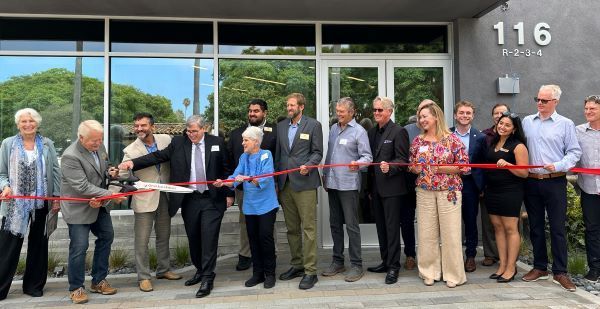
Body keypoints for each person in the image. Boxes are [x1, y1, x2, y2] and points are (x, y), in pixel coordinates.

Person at [120, 115, 234, 298]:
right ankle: (199, 269)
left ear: (204, 128)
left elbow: (227, 169)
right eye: (188, 131)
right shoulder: (179, 142)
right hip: (189, 199)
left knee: (209, 237)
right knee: (194, 238)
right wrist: (133, 162)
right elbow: (158, 156)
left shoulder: (217, 142)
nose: (191, 135)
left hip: (212, 199)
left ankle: (207, 277)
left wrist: (229, 193)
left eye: (194, 131)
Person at [521, 84, 581, 292]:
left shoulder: (566, 124)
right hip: (531, 181)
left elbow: (574, 153)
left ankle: (560, 272)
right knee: (535, 226)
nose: (539, 103)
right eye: (537, 99)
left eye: (544, 100)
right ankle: (539, 267)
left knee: (557, 228)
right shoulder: (527, 122)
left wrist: (558, 165)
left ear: (555, 102)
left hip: (555, 180)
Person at [61, 120, 124, 304]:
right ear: (81, 138)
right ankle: (76, 288)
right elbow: (81, 186)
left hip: (99, 205)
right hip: (79, 208)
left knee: (107, 236)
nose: (98, 144)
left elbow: (102, 168)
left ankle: (98, 281)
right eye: (93, 141)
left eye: (100, 139)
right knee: (79, 247)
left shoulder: (99, 145)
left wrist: (110, 171)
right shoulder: (70, 156)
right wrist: (110, 195)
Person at [0, 108, 60, 300]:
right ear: (18, 124)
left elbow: (55, 173)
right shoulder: (8, 144)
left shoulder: (48, 144)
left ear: (37, 123)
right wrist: (5, 187)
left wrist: (56, 197)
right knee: (7, 247)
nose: (28, 124)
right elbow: (1, 173)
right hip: (14, 206)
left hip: (41, 202)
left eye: (31, 121)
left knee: (39, 246)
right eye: (24, 121)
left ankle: (34, 286)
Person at [409, 102, 469, 288]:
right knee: (426, 234)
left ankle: (453, 274)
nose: (422, 120)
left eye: (425, 116)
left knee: (451, 234)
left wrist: (441, 168)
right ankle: (429, 271)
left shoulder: (452, 140)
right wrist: (415, 168)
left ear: (436, 117)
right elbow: (411, 165)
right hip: (425, 192)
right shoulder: (418, 141)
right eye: (420, 117)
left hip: (449, 192)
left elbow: (465, 167)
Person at [119, 112, 181, 293]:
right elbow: (123, 173)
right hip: (144, 199)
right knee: (142, 240)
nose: (139, 129)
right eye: (136, 126)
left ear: (152, 127)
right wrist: (119, 172)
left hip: (165, 195)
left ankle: (163, 270)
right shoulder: (130, 150)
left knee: (164, 235)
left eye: (143, 126)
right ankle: (144, 277)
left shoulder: (167, 140)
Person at [215, 126, 279, 289]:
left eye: (246, 140)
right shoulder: (244, 157)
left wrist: (248, 179)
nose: (242, 143)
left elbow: (265, 178)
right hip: (250, 206)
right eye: (243, 140)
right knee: (253, 239)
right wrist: (225, 182)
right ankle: (257, 274)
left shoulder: (266, 154)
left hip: (266, 205)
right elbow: (236, 175)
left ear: (256, 142)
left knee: (265, 238)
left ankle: (270, 273)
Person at [322, 97, 373, 282]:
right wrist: (325, 175)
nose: (338, 114)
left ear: (352, 112)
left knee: (352, 226)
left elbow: (367, 157)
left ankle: (357, 265)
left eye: (341, 112)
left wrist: (357, 163)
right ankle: (337, 261)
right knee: (335, 224)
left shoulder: (359, 132)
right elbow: (330, 154)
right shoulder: (334, 129)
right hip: (333, 183)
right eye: (337, 111)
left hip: (349, 185)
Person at [275, 93, 323, 290]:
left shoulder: (313, 125)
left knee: (308, 229)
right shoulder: (281, 126)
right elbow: (279, 154)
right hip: (286, 185)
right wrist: (278, 182)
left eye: (292, 105)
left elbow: (318, 152)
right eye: (287, 105)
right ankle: (297, 265)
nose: (289, 108)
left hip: (305, 183)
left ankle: (310, 271)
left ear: (301, 107)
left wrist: (309, 165)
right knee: (292, 229)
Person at [227, 99, 277, 272]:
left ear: (265, 113)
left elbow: (272, 167)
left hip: (266, 192)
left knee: (266, 231)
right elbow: (232, 167)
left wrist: (270, 183)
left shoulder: (274, 134)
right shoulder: (236, 135)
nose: (252, 114)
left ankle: (269, 264)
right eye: (250, 110)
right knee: (248, 229)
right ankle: (248, 259)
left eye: (256, 110)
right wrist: (227, 185)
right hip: (245, 193)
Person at [366, 97, 410, 284]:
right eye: (375, 110)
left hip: (392, 189)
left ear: (389, 112)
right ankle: (385, 261)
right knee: (381, 228)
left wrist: (390, 166)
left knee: (392, 229)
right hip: (375, 188)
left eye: (380, 110)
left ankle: (393, 267)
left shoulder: (399, 131)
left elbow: (402, 160)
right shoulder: (371, 131)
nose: (376, 113)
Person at [484, 111, 529, 282]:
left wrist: (509, 165)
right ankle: (502, 265)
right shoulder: (493, 141)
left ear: (514, 129)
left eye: (507, 125)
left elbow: (524, 173)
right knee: (498, 228)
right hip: (492, 190)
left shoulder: (518, 146)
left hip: (510, 191)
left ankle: (511, 267)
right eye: (501, 123)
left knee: (511, 228)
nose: (502, 127)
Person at [450, 100, 486, 273]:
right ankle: (452, 256)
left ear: (473, 116)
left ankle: (470, 255)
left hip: (470, 184)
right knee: (450, 221)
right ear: (455, 115)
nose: (464, 116)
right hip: (449, 183)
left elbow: (484, 163)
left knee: (470, 220)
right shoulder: (446, 134)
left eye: (468, 113)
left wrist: (482, 186)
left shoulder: (480, 137)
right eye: (461, 113)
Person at [401, 99, 436, 271]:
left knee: (429, 222)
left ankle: (429, 257)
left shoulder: (441, 133)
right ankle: (410, 255)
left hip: (433, 184)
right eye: (420, 110)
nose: (423, 115)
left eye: (427, 111)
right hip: (410, 182)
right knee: (407, 219)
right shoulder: (407, 131)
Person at [479, 103, 509, 267]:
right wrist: (481, 185)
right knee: (489, 221)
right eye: (496, 113)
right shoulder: (485, 135)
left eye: (503, 113)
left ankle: (510, 256)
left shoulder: (515, 136)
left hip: (510, 186)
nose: (499, 115)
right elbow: (480, 161)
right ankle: (490, 254)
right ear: (492, 116)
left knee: (509, 223)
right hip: (489, 184)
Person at [575, 95, 600, 282]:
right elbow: (572, 153)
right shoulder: (578, 131)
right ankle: (595, 268)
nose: (588, 112)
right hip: (589, 189)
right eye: (586, 109)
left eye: (593, 109)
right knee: (592, 229)